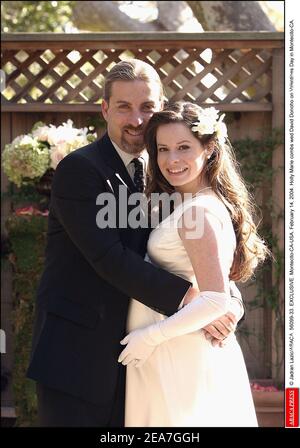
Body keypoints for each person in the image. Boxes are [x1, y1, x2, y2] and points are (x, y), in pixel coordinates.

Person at [27, 60, 244, 427]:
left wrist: (227, 299)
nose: (137, 119)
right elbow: (108, 257)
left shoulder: (166, 172)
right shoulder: (81, 170)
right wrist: (200, 301)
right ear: (105, 109)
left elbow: (190, 253)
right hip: (79, 353)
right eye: (124, 107)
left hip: (145, 354)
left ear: (160, 108)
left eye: (147, 107)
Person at [119, 102, 269, 427]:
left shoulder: (196, 212)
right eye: (163, 149)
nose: (172, 160)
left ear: (209, 148)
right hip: (174, 349)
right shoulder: (192, 204)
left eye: (184, 147)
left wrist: (152, 336)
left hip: (176, 350)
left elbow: (215, 299)